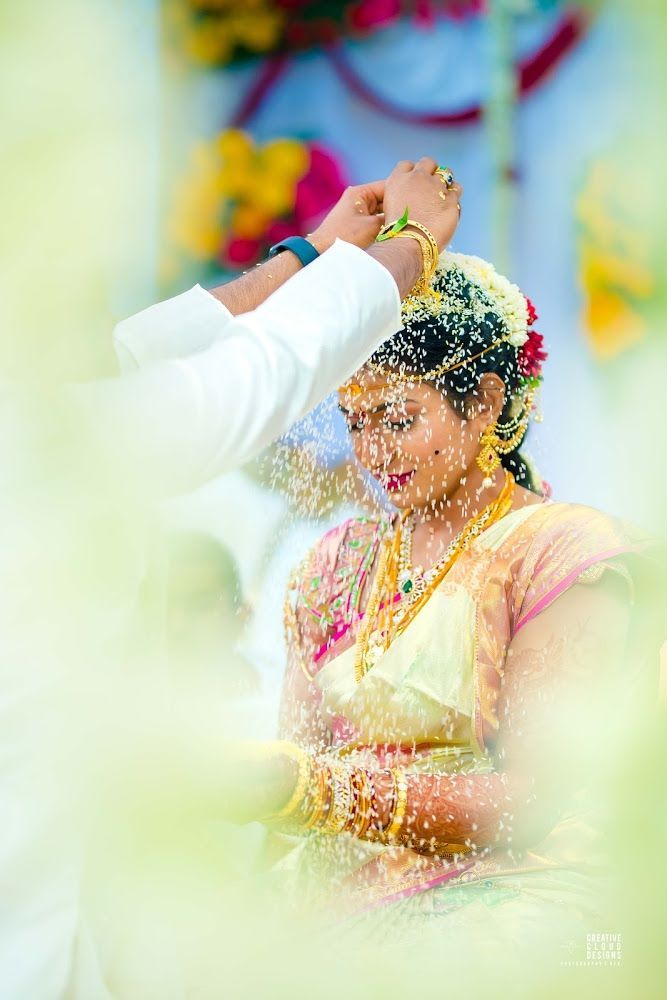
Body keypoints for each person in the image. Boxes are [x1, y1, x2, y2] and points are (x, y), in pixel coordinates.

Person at [208, 216, 655, 954]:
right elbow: (296, 766)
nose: (372, 451)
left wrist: (312, 791)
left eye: (397, 417)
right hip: (336, 896)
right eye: (354, 422)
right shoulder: (332, 567)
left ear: (482, 403)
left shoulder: (563, 555)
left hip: (520, 896)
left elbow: (536, 804)